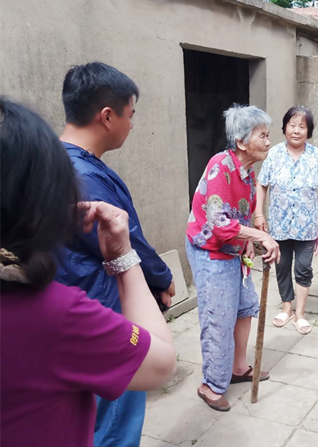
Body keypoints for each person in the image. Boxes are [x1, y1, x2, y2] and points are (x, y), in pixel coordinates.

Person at [0, 98, 176, 447]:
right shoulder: (51, 313)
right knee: (115, 424)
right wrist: (129, 261)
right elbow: (161, 364)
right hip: (99, 315)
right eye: (132, 114)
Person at [55, 62, 176, 447]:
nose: (132, 125)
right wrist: (162, 277)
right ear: (107, 116)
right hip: (104, 308)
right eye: (131, 114)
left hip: (77, 304)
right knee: (115, 421)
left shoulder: (57, 163)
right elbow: (126, 241)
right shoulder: (83, 176)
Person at [186, 104, 281, 412]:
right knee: (219, 317)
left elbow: (241, 213)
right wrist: (261, 237)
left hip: (234, 250)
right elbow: (219, 223)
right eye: (262, 135)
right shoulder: (220, 166)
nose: (268, 141)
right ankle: (211, 384)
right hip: (210, 251)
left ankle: (238, 367)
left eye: (268, 135)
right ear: (241, 141)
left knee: (243, 307)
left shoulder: (247, 172)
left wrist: (248, 241)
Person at [256, 106, 318, 335]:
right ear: (285, 128)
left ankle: (300, 313)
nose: (296, 130)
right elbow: (262, 184)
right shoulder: (274, 154)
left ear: (309, 131)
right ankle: (286, 308)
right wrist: (259, 213)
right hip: (278, 224)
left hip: (306, 225)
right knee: (281, 266)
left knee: (303, 268)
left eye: (302, 126)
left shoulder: (316, 156)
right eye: (292, 125)